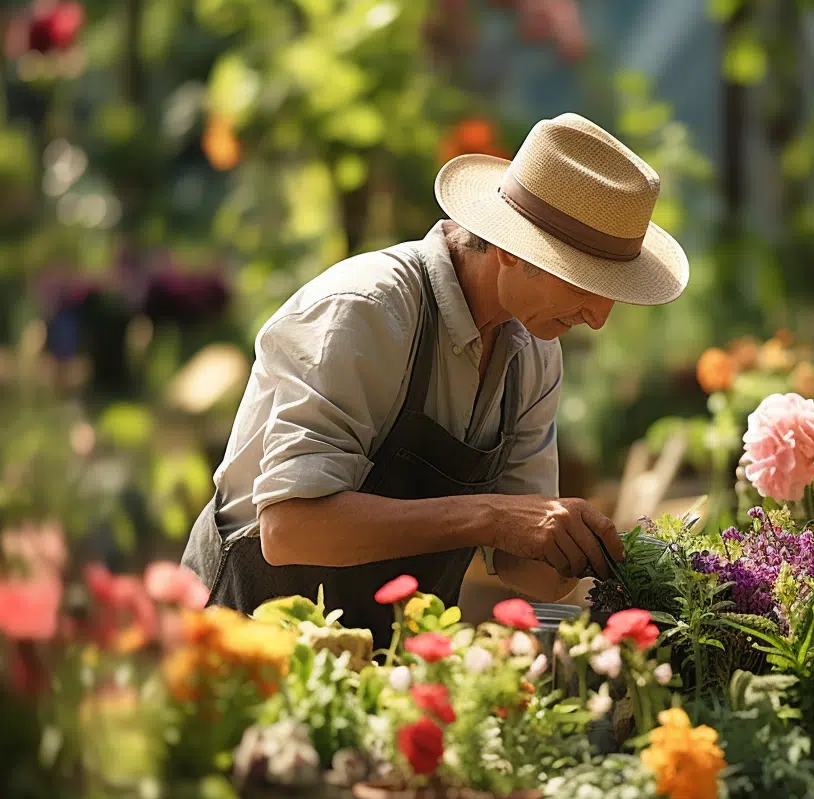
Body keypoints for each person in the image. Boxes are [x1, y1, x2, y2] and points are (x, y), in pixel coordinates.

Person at [182, 113, 689, 646]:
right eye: (586, 282)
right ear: (513, 250)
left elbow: (526, 569)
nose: (600, 316)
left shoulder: (535, 353)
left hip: (387, 669)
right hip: (242, 649)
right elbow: (289, 530)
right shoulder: (367, 312)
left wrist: (587, 546)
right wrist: (489, 516)